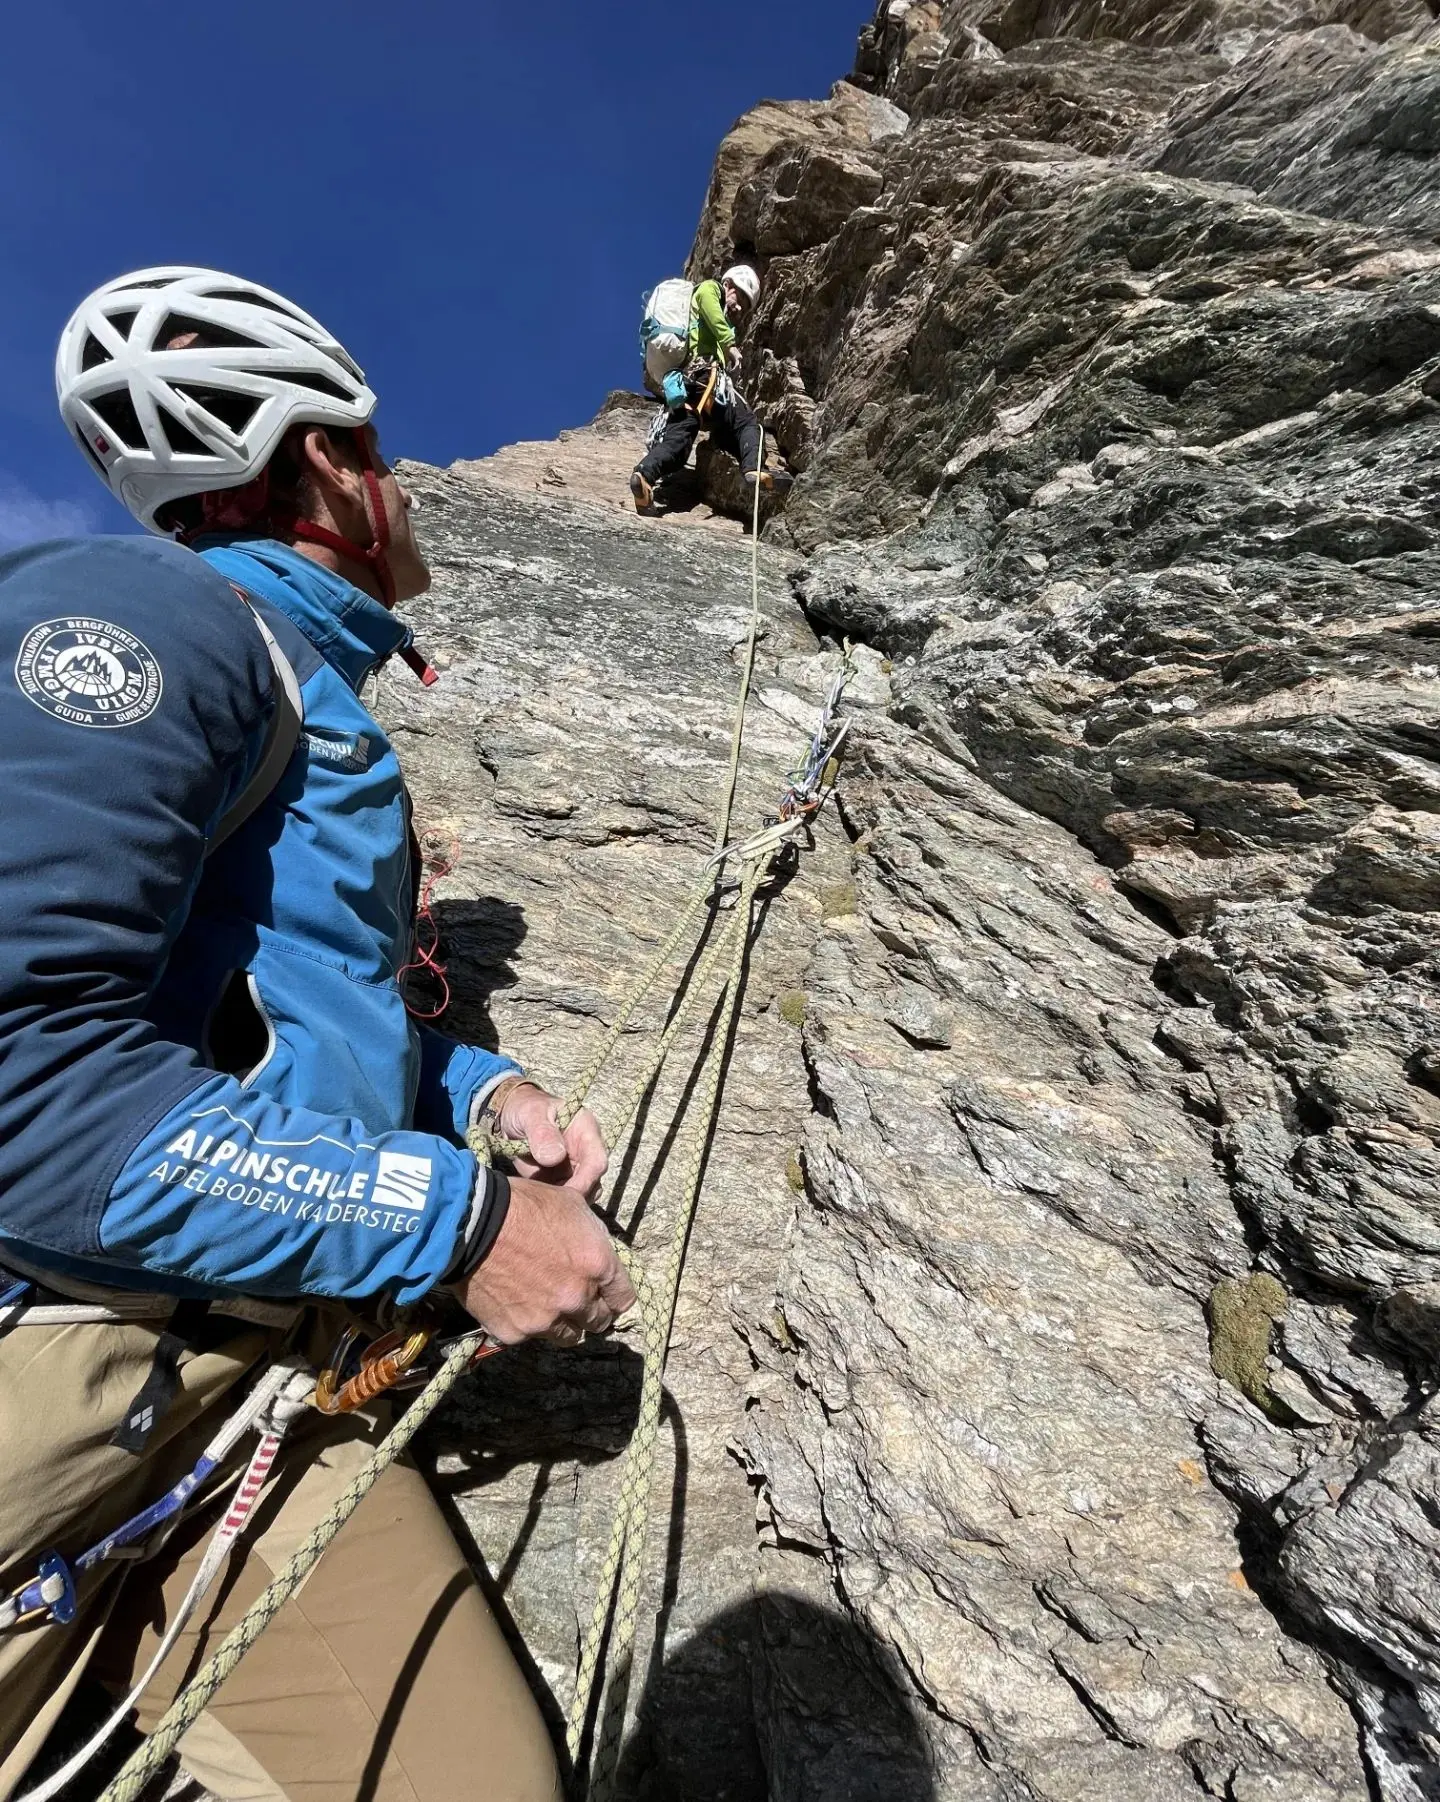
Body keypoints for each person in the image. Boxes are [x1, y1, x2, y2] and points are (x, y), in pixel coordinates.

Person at [0, 266, 636, 1802]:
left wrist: (480, 1089)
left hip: (245, 1384)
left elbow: (264, 1018)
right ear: (319, 466)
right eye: (376, 442)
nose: (402, 478)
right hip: (55, 1357)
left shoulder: (317, 710)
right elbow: (23, 1079)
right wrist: (458, 1219)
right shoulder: (143, 615)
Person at [630, 265, 793, 515]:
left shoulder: (703, 317)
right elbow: (711, 308)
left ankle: (644, 477)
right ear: (728, 284)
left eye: (747, 307)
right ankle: (753, 468)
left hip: (684, 387)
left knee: (679, 441)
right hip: (705, 379)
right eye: (740, 297)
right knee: (747, 423)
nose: (740, 308)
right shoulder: (710, 288)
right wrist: (730, 345)